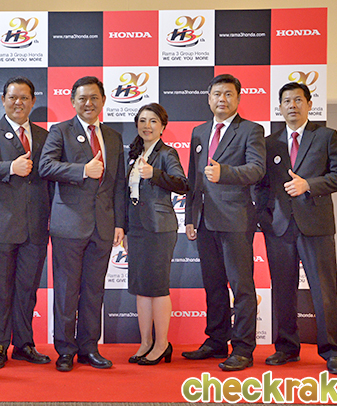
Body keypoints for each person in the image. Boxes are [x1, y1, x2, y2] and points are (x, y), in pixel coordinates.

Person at [255, 82, 337, 375]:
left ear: (309, 104)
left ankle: (333, 351)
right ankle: (286, 347)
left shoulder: (326, 137)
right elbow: (261, 185)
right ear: (280, 107)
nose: (292, 105)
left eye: (298, 100)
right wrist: (265, 218)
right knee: (283, 290)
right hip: (279, 228)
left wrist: (309, 184)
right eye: (287, 101)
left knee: (324, 291)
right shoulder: (270, 142)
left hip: (316, 226)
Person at [39, 76, 126, 372]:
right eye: (82, 98)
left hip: (103, 225)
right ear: (73, 101)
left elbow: (118, 183)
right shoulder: (60, 131)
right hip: (69, 224)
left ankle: (89, 347)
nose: (89, 103)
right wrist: (82, 170)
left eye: (94, 98)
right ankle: (65, 349)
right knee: (66, 290)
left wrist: (119, 223)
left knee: (94, 290)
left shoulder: (113, 136)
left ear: (103, 101)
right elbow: (45, 166)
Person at [182, 74, 266, 371]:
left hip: (236, 220)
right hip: (204, 220)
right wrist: (190, 216)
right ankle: (216, 340)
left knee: (241, 287)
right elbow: (193, 178)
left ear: (238, 99)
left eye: (228, 94)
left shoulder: (251, 130)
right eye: (217, 94)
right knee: (213, 285)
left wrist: (226, 173)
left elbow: (257, 169)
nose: (222, 99)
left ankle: (242, 348)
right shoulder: (199, 131)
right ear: (209, 99)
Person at [0, 77, 51, 369]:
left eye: (24, 98)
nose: (18, 103)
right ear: (3, 100)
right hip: (4, 224)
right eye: (12, 97)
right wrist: (10, 167)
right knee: (2, 289)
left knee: (27, 289)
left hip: (36, 225)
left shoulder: (44, 136)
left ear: (33, 101)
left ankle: (24, 344)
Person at [123, 103, 188, 366]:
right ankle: (146, 342)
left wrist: (155, 174)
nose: (147, 126)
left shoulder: (167, 153)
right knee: (141, 288)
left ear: (162, 126)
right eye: (142, 121)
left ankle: (162, 344)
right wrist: (125, 229)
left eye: (152, 121)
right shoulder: (134, 154)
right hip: (136, 228)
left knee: (158, 288)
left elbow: (182, 184)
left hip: (159, 228)